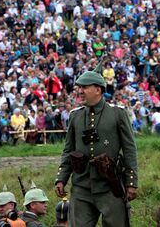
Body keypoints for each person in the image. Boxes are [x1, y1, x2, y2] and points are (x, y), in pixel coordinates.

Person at [55, 62, 138, 227]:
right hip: (81, 187)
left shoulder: (118, 114)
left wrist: (131, 182)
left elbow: (129, 149)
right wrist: (61, 178)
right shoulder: (75, 116)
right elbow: (68, 150)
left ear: (98, 90)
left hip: (110, 186)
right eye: (79, 87)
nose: (80, 91)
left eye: (84, 87)